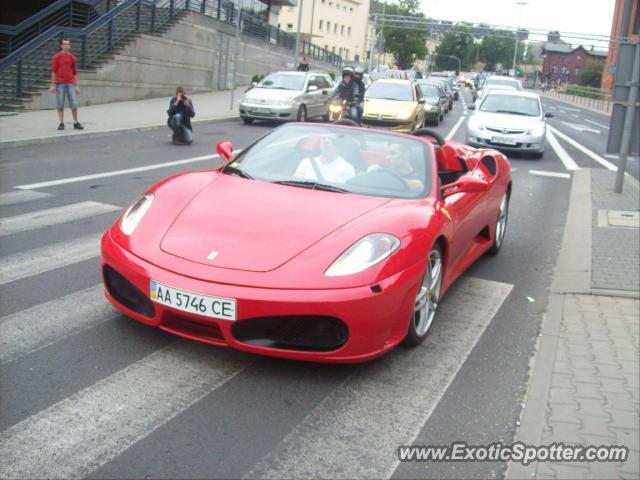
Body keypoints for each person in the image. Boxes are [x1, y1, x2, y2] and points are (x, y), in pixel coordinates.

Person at [49, 38, 83, 131]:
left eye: (68, 44)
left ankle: (76, 122)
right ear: (61, 46)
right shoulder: (56, 57)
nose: (66, 46)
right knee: (60, 104)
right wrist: (52, 85)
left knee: (74, 104)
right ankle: (61, 123)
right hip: (60, 84)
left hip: (71, 83)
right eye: (64, 44)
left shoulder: (72, 57)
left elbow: (75, 72)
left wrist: (77, 86)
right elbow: (54, 72)